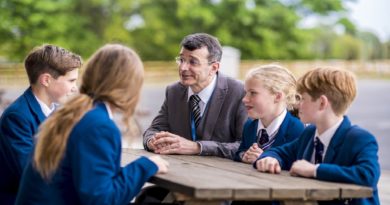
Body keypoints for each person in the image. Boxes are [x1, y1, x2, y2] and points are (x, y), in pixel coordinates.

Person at [15, 44, 169, 205]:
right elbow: (102, 199)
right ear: (128, 86)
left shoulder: (70, 112)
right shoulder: (99, 125)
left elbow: (90, 178)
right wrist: (146, 165)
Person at [255, 67, 380, 205]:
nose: (297, 105)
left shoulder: (360, 139)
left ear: (322, 103)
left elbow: (368, 175)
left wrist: (315, 170)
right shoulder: (309, 134)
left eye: (302, 99)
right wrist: (270, 158)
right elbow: (281, 152)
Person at [143, 33, 247, 159]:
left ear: (214, 68)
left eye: (193, 62)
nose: (183, 67)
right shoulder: (173, 91)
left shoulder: (240, 92)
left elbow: (245, 146)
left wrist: (197, 147)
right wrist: (153, 142)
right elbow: (153, 131)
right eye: (181, 60)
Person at [0, 44, 81, 204]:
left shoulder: (58, 111)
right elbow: (33, 174)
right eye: (71, 81)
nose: (75, 88)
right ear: (46, 80)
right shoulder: (17, 117)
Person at [234, 64, 304, 163]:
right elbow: (240, 151)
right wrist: (244, 155)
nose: (244, 99)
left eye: (253, 93)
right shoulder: (250, 125)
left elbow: (294, 162)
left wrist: (264, 158)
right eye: (246, 93)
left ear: (277, 97)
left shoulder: (297, 129)